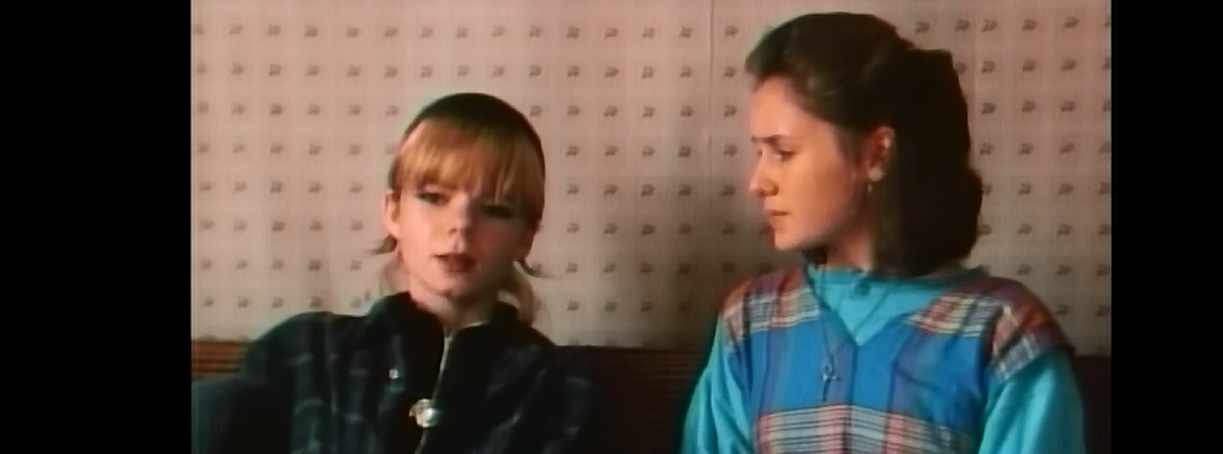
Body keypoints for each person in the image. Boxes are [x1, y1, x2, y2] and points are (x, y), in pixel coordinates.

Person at [680, 13, 1087, 454]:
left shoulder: (1003, 335)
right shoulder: (750, 321)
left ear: (876, 154)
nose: (757, 182)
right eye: (759, 152)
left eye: (783, 151)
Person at [192, 92, 599, 454]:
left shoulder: (558, 389)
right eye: (433, 198)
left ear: (525, 236)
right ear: (393, 211)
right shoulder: (304, 355)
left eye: (495, 209)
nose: (460, 225)